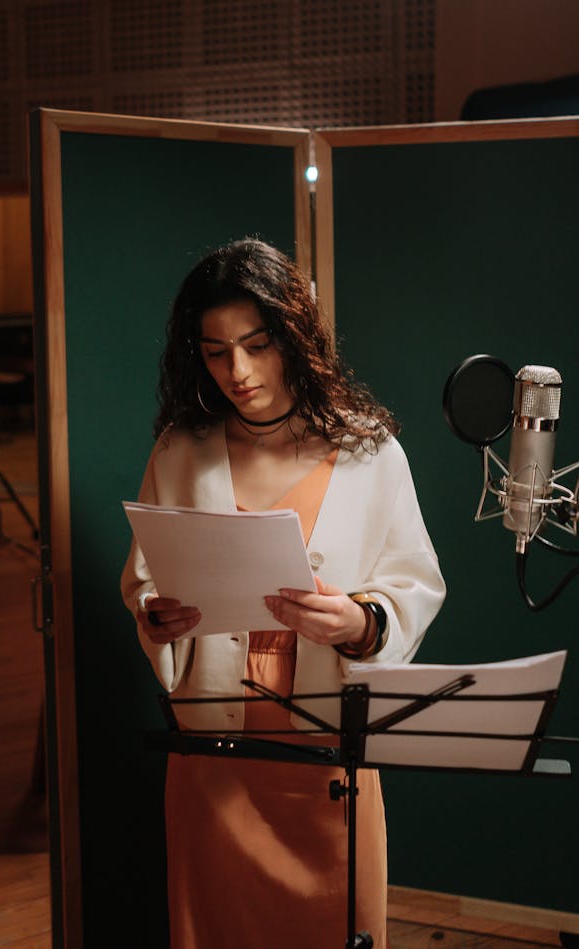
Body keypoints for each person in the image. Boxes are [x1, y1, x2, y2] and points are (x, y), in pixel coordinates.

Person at [121, 238, 445, 949]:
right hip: (213, 755)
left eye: (257, 344)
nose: (237, 371)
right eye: (215, 351)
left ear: (294, 338)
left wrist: (359, 623)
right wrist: (158, 615)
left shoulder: (372, 451)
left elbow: (414, 583)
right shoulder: (180, 449)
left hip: (328, 754)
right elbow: (144, 577)